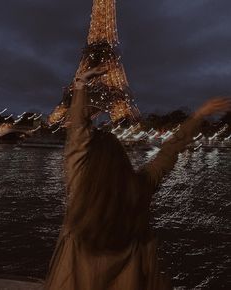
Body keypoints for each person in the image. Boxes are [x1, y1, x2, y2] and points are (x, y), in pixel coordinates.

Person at [44, 66, 231, 290]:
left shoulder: (79, 184)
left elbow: (77, 135)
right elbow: (169, 151)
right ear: (123, 159)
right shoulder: (141, 187)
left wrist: (81, 85)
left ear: (89, 159)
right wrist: (199, 115)